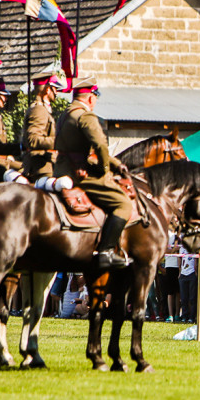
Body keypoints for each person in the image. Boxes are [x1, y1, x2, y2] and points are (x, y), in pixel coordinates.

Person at [53, 77, 133, 269]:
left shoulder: (64, 114)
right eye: (95, 98)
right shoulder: (86, 116)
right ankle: (105, 252)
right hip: (79, 174)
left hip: (60, 169)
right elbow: (100, 146)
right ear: (90, 98)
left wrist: (116, 164)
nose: (95, 102)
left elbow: (78, 149)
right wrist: (105, 169)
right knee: (123, 204)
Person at [22, 72, 65, 181]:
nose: (56, 92)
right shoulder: (39, 110)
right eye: (55, 88)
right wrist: (59, 142)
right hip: (41, 168)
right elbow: (33, 139)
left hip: (44, 165)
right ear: (47, 89)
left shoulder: (41, 108)